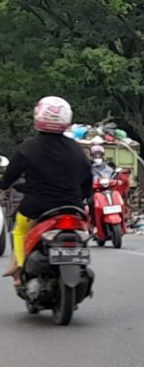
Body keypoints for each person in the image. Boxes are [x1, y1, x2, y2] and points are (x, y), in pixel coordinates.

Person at [1, 96, 92, 285]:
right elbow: (87, 180)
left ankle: (19, 267)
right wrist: (82, 199)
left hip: (36, 208)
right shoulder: (76, 149)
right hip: (72, 207)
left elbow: (9, 177)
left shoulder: (28, 148)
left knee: (18, 231)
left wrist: (2, 187)